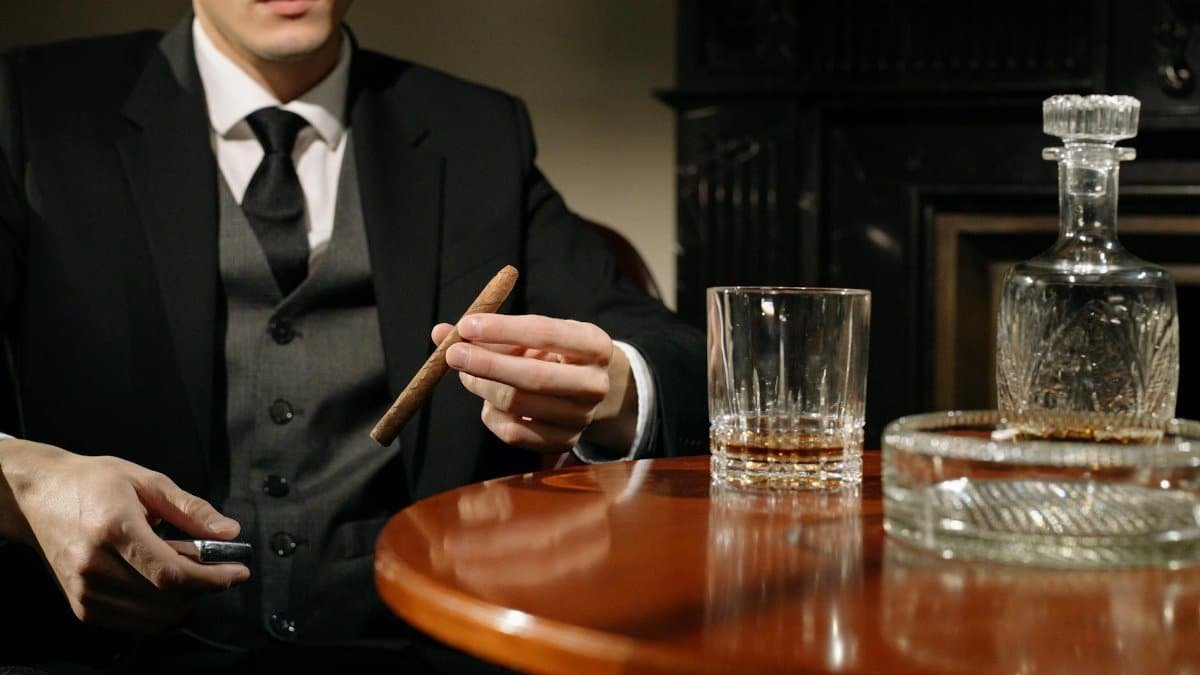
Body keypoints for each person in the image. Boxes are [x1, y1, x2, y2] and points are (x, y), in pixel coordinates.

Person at [0, 0, 706, 671]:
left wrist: (615, 391)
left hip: (417, 653)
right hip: (112, 657)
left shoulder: (477, 130)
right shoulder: (34, 105)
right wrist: (22, 480)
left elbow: (668, 353)